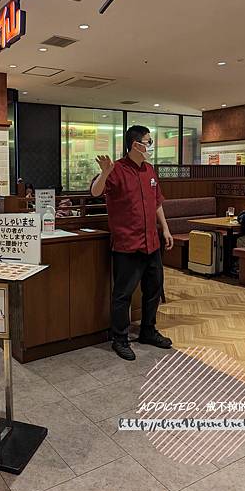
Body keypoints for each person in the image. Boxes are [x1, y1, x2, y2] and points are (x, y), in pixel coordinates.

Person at [91, 125, 174, 361]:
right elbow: (96, 192)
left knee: (154, 289)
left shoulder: (149, 170)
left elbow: (157, 203)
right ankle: (120, 338)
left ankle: (148, 331)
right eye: (148, 141)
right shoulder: (116, 169)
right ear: (136, 144)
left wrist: (165, 229)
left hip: (152, 242)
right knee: (123, 294)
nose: (151, 145)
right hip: (127, 244)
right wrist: (105, 172)